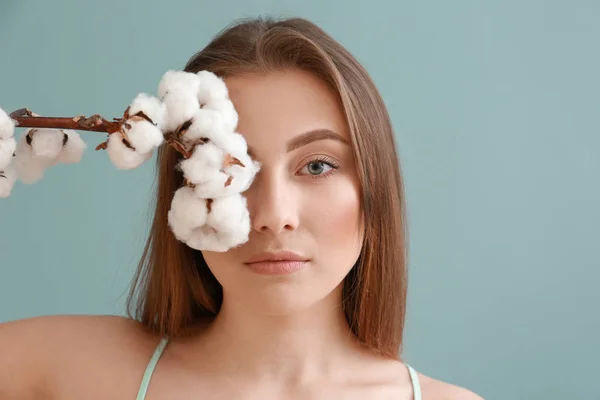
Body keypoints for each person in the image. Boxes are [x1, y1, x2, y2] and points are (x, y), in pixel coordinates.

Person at [0, 17, 483, 400]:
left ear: (373, 189)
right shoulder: (72, 369)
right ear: (183, 189)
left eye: (316, 166)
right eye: (234, 167)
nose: (274, 214)